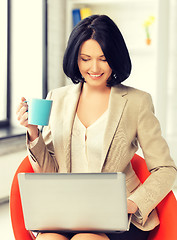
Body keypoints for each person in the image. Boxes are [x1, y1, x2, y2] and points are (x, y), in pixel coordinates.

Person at [16, 15, 177, 240]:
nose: (94, 68)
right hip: (66, 212)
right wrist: (34, 132)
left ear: (115, 57)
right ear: (76, 59)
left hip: (118, 216)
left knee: (87, 238)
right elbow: (49, 172)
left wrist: (131, 204)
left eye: (103, 58)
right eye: (85, 58)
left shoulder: (137, 102)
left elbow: (166, 169)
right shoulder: (58, 99)